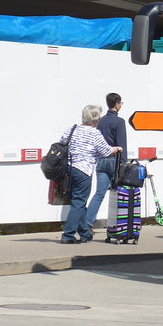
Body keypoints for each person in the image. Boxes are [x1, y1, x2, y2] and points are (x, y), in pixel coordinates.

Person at [58, 104, 122, 244]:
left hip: (68, 170)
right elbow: (105, 151)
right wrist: (116, 148)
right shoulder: (94, 133)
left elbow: (62, 143)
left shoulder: (71, 129)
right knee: (79, 202)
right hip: (83, 170)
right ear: (95, 120)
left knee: (78, 201)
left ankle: (85, 233)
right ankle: (67, 235)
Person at [86, 92, 127, 228]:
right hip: (114, 161)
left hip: (101, 161)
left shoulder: (100, 121)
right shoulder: (119, 122)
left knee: (99, 194)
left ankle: (87, 223)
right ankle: (121, 225)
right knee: (121, 194)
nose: (121, 105)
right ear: (116, 104)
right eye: (120, 103)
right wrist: (124, 163)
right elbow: (122, 145)